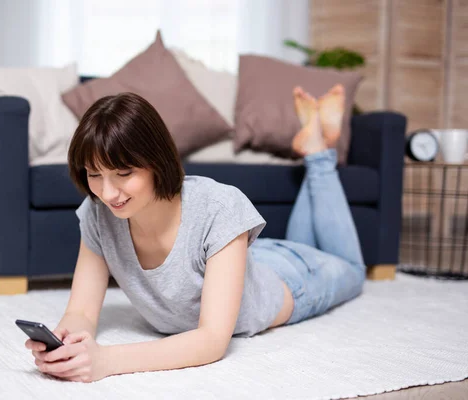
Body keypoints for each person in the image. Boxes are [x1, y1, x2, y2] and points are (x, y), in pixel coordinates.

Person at [25, 86, 366, 383]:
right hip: (242, 261)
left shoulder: (218, 206)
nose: (109, 193)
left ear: (156, 160)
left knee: (352, 269)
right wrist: (66, 340)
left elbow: (212, 340)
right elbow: (82, 311)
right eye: (94, 175)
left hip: (293, 279)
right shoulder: (98, 214)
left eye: (123, 173)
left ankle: (319, 154)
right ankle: (316, 144)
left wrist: (107, 360)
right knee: (302, 245)